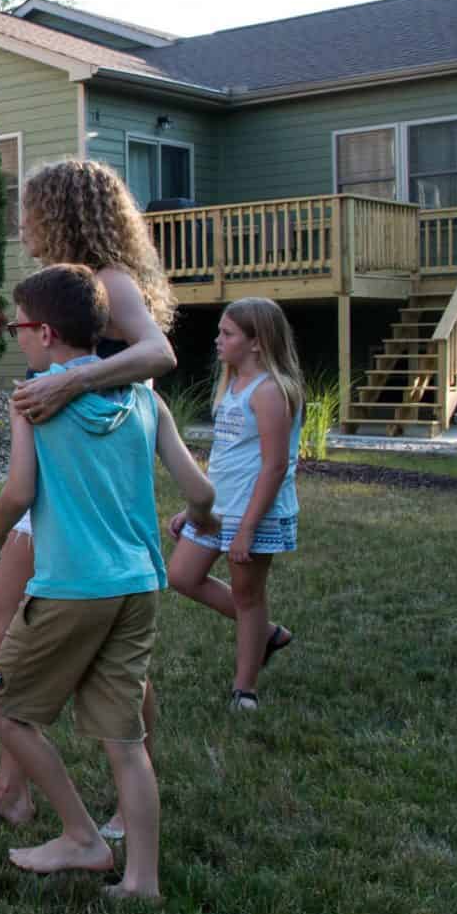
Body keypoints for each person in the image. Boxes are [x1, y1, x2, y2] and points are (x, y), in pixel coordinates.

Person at [0, 264, 216, 901]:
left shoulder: (33, 399)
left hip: (71, 589)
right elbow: (201, 491)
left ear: (46, 332)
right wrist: (199, 522)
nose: (17, 339)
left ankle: (82, 835)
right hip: (138, 587)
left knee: (3, 709)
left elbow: (19, 490)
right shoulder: (147, 401)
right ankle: (142, 882)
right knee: (126, 739)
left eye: (19, 328)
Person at [0, 159, 179, 830]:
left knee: (113, 658)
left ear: (63, 213)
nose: (22, 225)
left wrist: (72, 382)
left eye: (30, 211)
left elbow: (158, 354)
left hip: (88, 493)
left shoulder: (111, 283)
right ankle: (13, 788)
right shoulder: (63, 288)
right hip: (54, 491)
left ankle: (133, 788)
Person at [167, 298, 304, 711]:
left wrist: (247, 528)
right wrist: (194, 508)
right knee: (181, 576)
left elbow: (275, 466)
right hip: (218, 508)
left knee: (248, 596)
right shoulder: (232, 386)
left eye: (227, 334)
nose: (218, 340)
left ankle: (245, 689)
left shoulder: (270, 392)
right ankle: (266, 633)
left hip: (253, 512)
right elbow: (225, 458)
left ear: (257, 342)